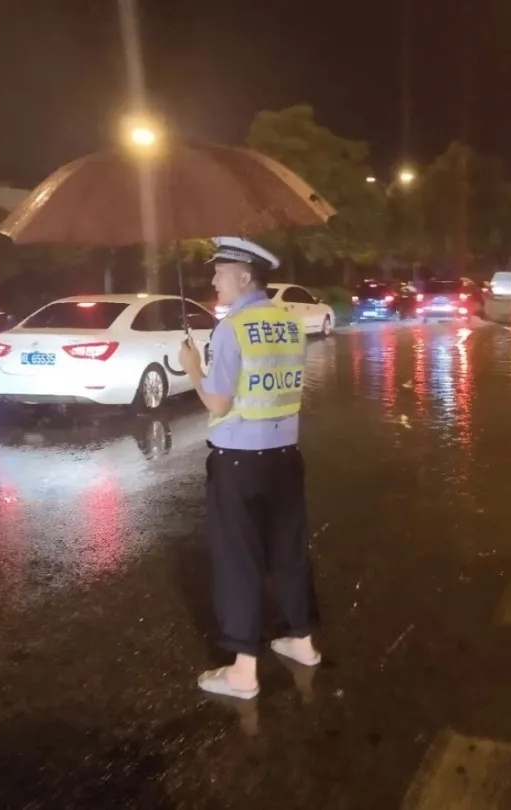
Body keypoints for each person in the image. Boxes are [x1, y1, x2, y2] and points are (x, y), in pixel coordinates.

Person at [177, 236, 321, 701]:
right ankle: (302, 642)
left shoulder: (232, 328)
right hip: (286, 456)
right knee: (288, 549)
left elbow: (218, 401)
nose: (213, 280)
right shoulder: (288, 320)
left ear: (244, 276)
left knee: (238, 559)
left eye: (219, 272)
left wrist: (193, 368)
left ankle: (243, 670)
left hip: (239, 462)